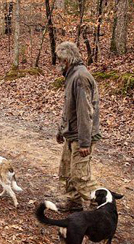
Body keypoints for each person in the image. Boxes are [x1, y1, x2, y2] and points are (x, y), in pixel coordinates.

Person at [55, 42, 100, 212]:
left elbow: (85, 112)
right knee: (67, 171)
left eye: (59, 59)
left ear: (67, 60)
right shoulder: (71, 75)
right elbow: (69, 107)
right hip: (71, 133)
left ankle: (102, 204)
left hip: (81, 136)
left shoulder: (80, 77)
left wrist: (84, 143)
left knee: (80, 176)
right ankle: (74, 203)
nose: (57, 63)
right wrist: (61, 130)